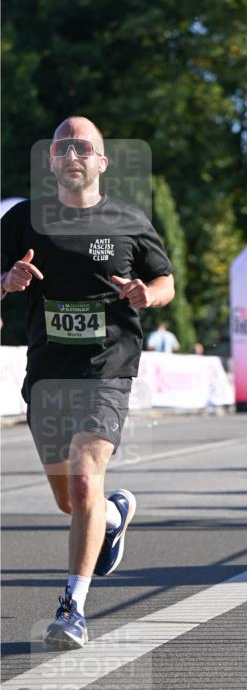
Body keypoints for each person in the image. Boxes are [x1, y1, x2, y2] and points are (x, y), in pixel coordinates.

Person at [0, 117, 174, 648]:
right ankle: (115, 512)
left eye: (83, 146)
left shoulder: (128, 220)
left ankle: (72, 606)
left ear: (101, 161)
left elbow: (165, 280)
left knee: (83, 476)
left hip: (107, 369)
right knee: (71, 499)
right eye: (62, 146)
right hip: (48, 374)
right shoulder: (25, 220)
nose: (72, 153)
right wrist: (6, 282)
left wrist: (148, 295)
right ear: (52, 161)